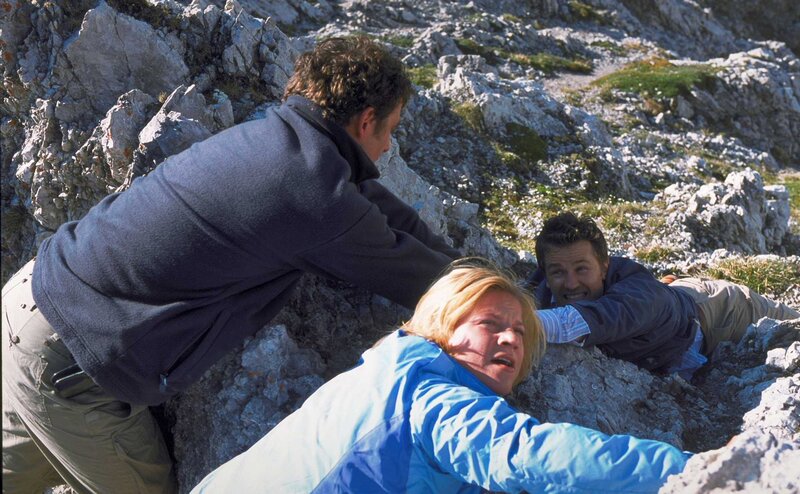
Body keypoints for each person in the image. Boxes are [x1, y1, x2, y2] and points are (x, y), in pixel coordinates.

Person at [1, 36, 460, 494]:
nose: (388, 146)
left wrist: (465, 262)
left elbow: (373, 205)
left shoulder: (273, 140)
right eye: (390, 129)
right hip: (74, 360)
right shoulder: (316, 196)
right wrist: (491, 289)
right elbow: (421, 280)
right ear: (365, 122)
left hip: (31, 301)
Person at [191, 260, 689, 493]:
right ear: (441, 327)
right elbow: (524, 456)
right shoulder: (429, 397)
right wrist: (700, 476)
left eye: (520, 330)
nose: (512, 340)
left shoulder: (383, 374)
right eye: (491, 325)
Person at [528, 212, 799, 378]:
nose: (571, 283)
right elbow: (507, 300)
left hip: (721, 310)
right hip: (668, 298)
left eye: (581, 269)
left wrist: (515, 322)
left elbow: (593, 319)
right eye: (559, 272)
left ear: (604, 266)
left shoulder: (637, 299)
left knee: (793, 325)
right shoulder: (545, 280)